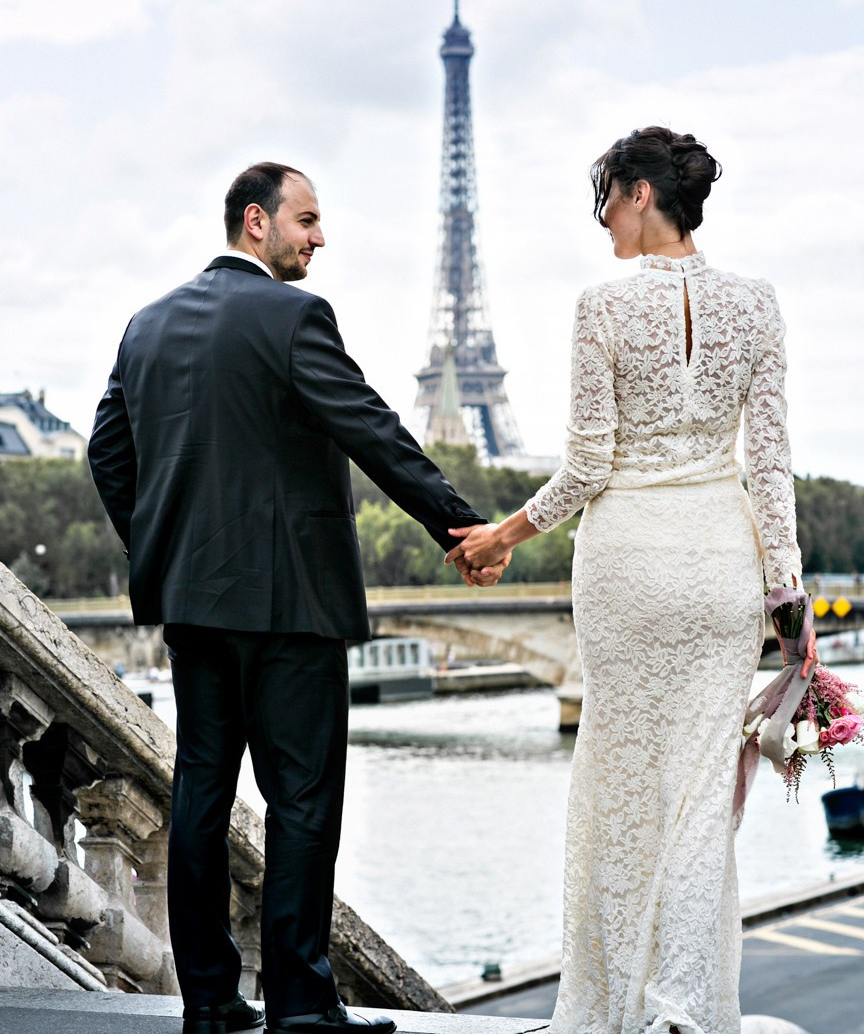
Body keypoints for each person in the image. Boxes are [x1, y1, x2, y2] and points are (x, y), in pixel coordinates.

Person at [88, 162, 504, 1034]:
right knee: (303, 799)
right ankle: (301, 1003)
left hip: (194, 605)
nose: (319, 238)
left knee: (201, 791)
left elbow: (107, 454)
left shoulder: (146, 324)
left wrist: (164, 553)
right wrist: (459, 527)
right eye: (307, 220)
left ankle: (207, 999)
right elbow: (372, 428)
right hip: (290, 603)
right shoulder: (293, 316)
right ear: (255, 223)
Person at [446, 127, 805, 1034]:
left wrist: (505, 535)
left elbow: (587, 468)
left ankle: (612, 1001)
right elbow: (770, 466)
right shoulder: (757, 305)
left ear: (643, 194)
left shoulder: (602, 310)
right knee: (696, 797)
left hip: (628, 569)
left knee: (620, 786)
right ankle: (680, 1006)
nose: (602, 216)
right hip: (719, 566)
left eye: (607, 195)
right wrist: (786, 593)